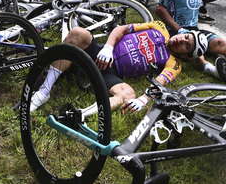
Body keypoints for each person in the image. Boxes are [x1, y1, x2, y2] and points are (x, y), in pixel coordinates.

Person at [29, 20, 207, 114]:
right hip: (100, 53)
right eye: (186, 37)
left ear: (185, 55)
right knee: (77, 33)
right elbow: (122, 29)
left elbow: (159, 83)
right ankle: (44, 92)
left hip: (111, 73)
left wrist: (143, 99)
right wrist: (108, 47)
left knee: (128, 94)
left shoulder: (174, 64)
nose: (181, 41)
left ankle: (81, 114)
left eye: (186, 46)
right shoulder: (159, 27)